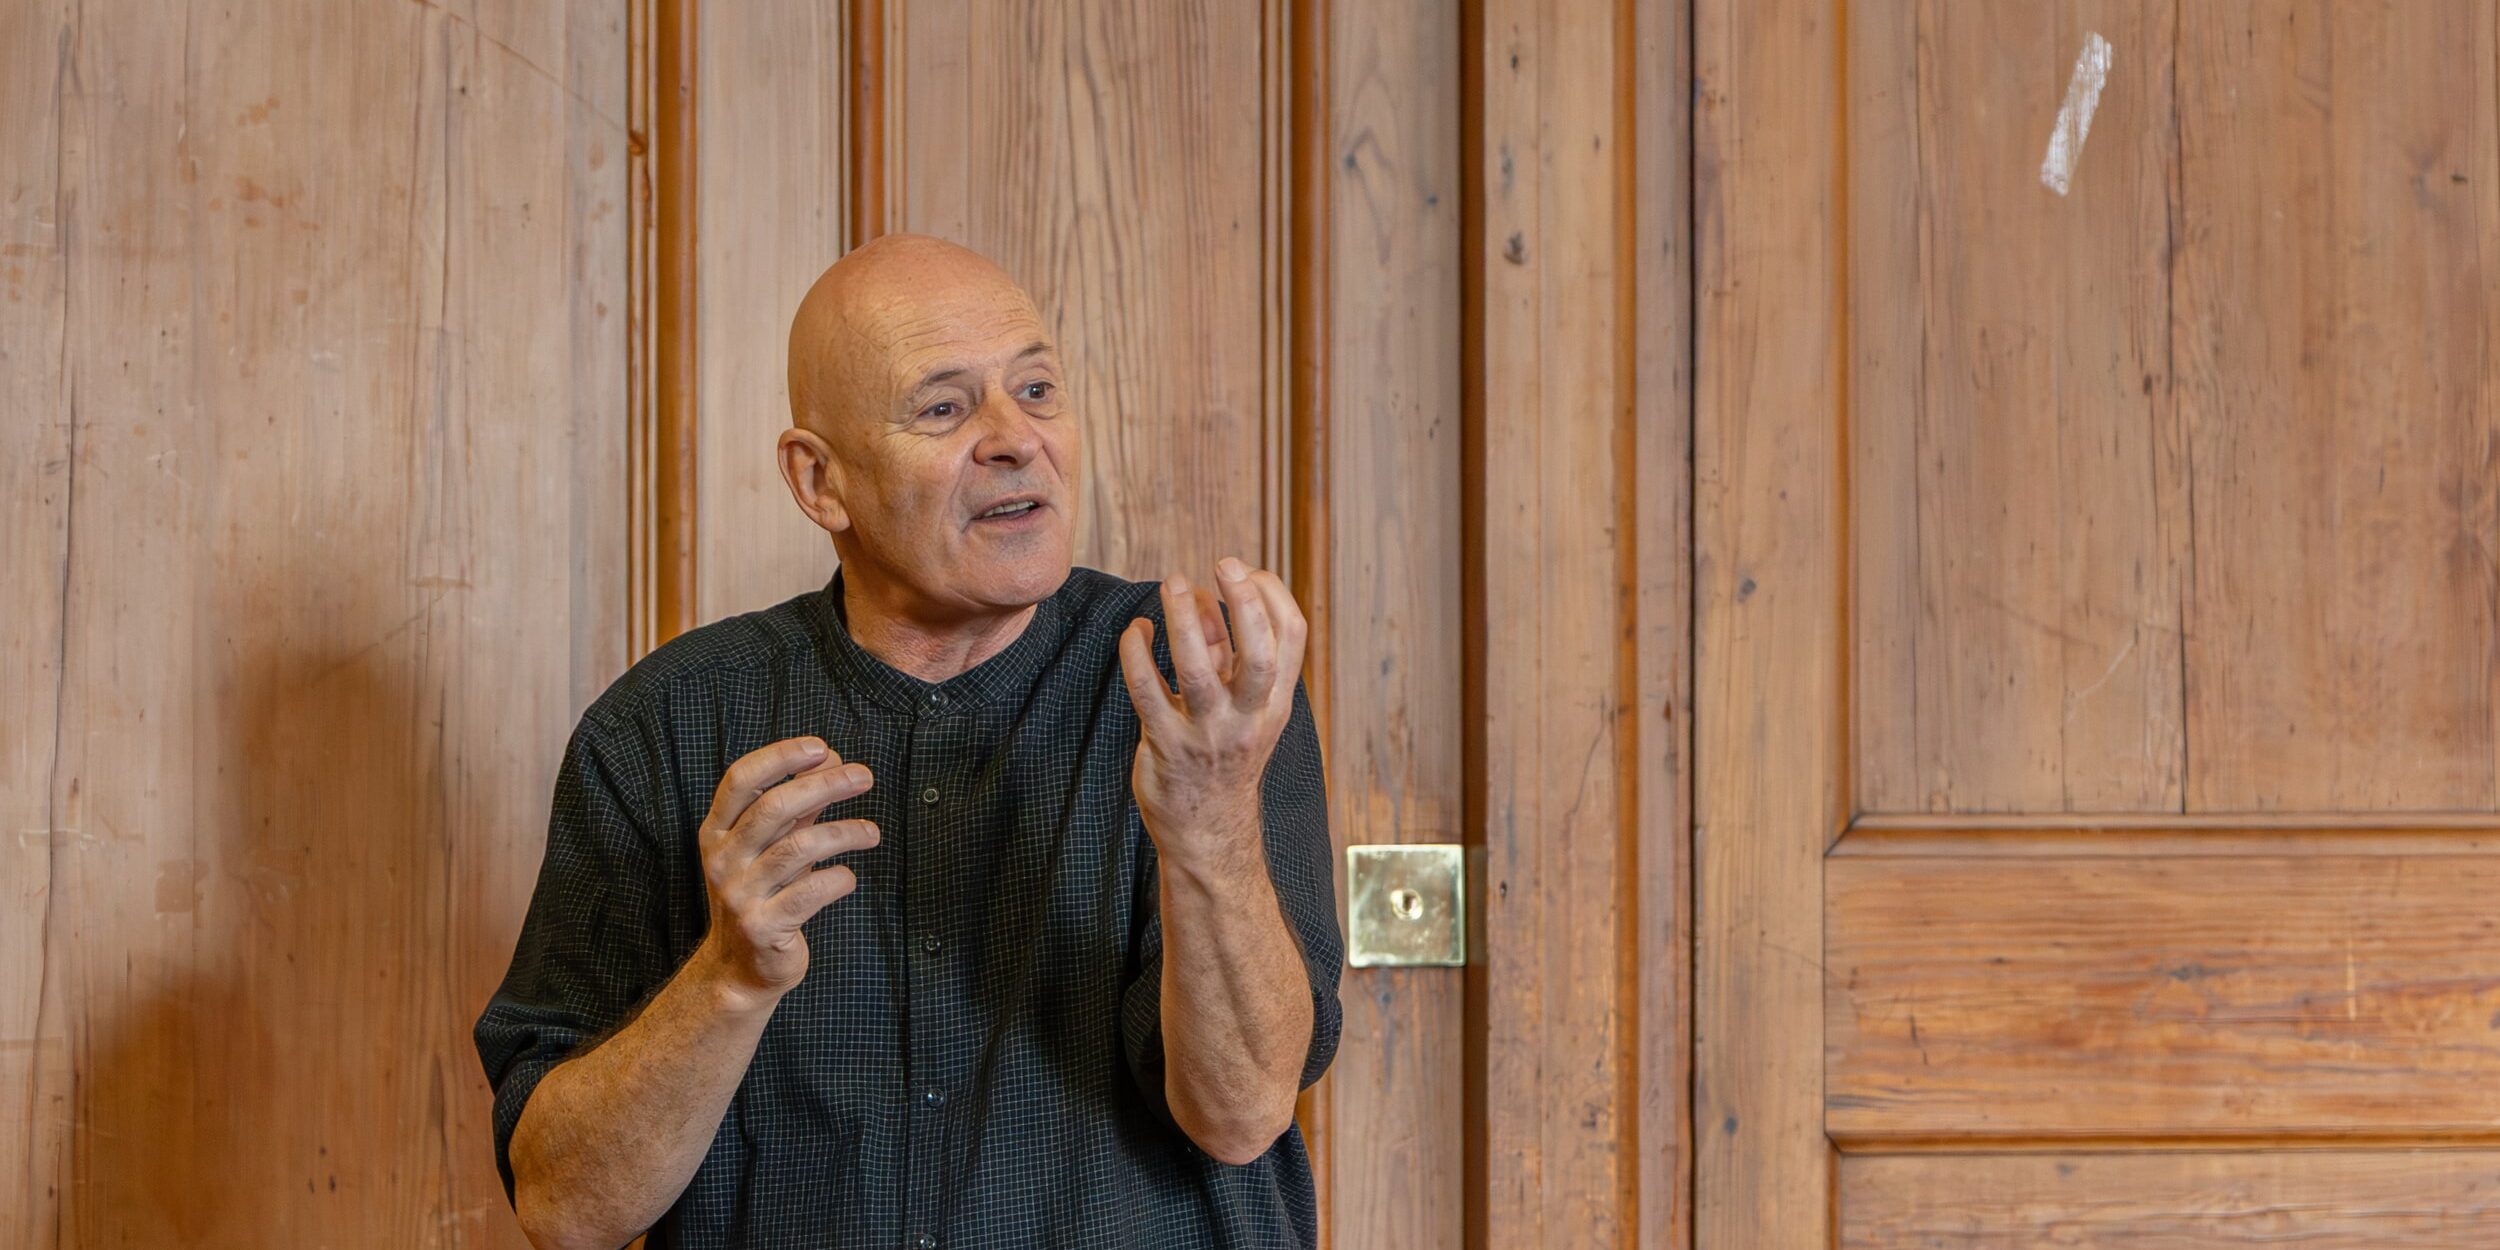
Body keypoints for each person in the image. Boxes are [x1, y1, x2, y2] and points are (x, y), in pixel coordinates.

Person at [474, 234, 1343, 1249]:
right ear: (820, 480)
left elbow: (1240, 1114)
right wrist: (727, 977)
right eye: (943, 408)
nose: (1015, 439)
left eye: (1037, 389)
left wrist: (1210, 823)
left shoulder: (1203, 695)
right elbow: (565, 1208)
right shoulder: (663, 726)